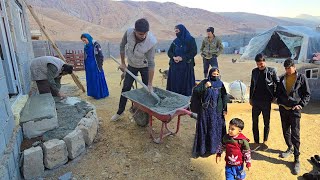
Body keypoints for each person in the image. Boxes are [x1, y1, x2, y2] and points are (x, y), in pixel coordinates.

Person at [111, 18, 157, 121]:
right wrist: (123, 63)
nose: (143, 36)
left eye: (145, 33)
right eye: (140, 34)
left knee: (147, 90)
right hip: (131, 65)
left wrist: (150, 84)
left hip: (144, 66)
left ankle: (148, 113)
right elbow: (122, 46)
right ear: (135, 30)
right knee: (126, 88)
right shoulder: (128, 32)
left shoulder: (151, 41)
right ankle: (120, 111)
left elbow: (151, 63)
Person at [276, 58, 311, 175]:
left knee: (295, 134)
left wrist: (301, 105)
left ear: (294, 67)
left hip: (295, 110)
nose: (287, 70)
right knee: (285, 131)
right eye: (285, 68)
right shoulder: (282, 78)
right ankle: (289, 147)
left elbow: (307, 94)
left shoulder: (301, 78)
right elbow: (278, 93)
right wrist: (279, 102)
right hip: (283, 109)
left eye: (289, 68)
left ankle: (296, 158)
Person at [191, 67, 228, 158]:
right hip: (205, 111)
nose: (215, 76)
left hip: (216, 111)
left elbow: (224, 96)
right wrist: (205, 86)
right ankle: (203, 149)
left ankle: (214, 148)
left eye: (217, 74)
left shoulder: (220, 84)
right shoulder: (204, 82)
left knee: (215, 128)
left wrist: (225, 108)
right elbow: (196, 91)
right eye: (213, 74)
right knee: (204, 128)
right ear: (210, 74)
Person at [249, 53, 279, 151]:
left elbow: (277, 84)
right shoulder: (254, 72)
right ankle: (256, 141)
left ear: (264, 62)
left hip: (266, 101)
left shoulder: (271, 71)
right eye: (258, 64)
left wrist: (275, 96)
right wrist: (250, 98)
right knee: (255, 121)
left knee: (266, 122)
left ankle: (265, 141)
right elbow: (252, 85)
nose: (260, 66)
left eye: (261, 64)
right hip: (256, 101)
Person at [166, 24, 197, 96]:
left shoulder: (190, 40)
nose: (176, 33)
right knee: (175, 86)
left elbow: (193, 52)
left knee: (185, 86)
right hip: (175, 67)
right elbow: (169, 52)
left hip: (186, 67)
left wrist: (182, 58)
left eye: (177, 31)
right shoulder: (175, 41)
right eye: (175, 31)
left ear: (182, 31)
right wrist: (174, 57)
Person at [81, 33, 109, 99]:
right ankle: (93, 94)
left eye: (85, 40)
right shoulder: (86, 46)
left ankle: (100, 94)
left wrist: (100, 64)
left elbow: (100, 55)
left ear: (88, 38)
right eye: (83, 41)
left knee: (97, 78)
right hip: (88, 65)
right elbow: (85, 56)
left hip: (95, 64)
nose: (84, 42)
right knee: (91, 79)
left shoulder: (95, 44)